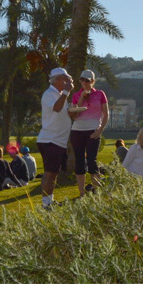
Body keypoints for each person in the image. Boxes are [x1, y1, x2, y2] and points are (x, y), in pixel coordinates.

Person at [37, 67, 74, 209]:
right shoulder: (49, 94)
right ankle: (45, 203)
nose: (68, 82)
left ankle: (49, 200)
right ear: (57, 80)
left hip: (58, 140)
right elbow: (57, 108)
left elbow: (61, 113)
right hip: (50, 139)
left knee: (54, 172)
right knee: (49, 172)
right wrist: (66, 92)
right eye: (65, 79)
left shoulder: (59, 94)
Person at [70, 69, 109, 196]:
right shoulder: (76, 95)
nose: (84, 82)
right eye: (82, 80)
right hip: (77, 131)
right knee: (79, 162)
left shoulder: (100, 94)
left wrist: (100, 130)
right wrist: (81, 97)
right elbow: (74, 116)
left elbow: (106, 114)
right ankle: (81, 193)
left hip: (93, 130)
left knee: (92, 161)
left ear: (92, 81)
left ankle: (97, 192)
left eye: (87, 80)